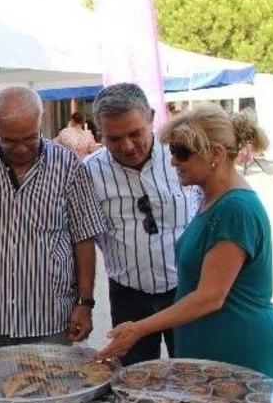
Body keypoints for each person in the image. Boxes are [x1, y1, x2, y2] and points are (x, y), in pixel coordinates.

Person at [99, 106, 273, 385]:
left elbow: (210, 296)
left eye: (182, 152)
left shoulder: (235, 208)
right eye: (173, 151)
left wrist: (139, 328)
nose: (173, 161)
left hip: (238, 353)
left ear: (215, 154)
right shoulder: (212, 199)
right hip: (210, 351)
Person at [0, 86, 108, 348]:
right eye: (10, 141)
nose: (21, 149)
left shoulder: (69, 167)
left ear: (40, 122)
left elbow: (83, 239)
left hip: (53, 319)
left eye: (30, 138)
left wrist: (84, 303)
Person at [85, 83, 198, 366]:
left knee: (189, 374)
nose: (127, 146)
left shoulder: (183, 158)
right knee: (134, 378)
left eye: (135, 133)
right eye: (114, 138)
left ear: (151, 117)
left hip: (185, 292)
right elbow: (83, 239)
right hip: (127, 298)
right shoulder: (88, 173)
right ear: (100, 133)